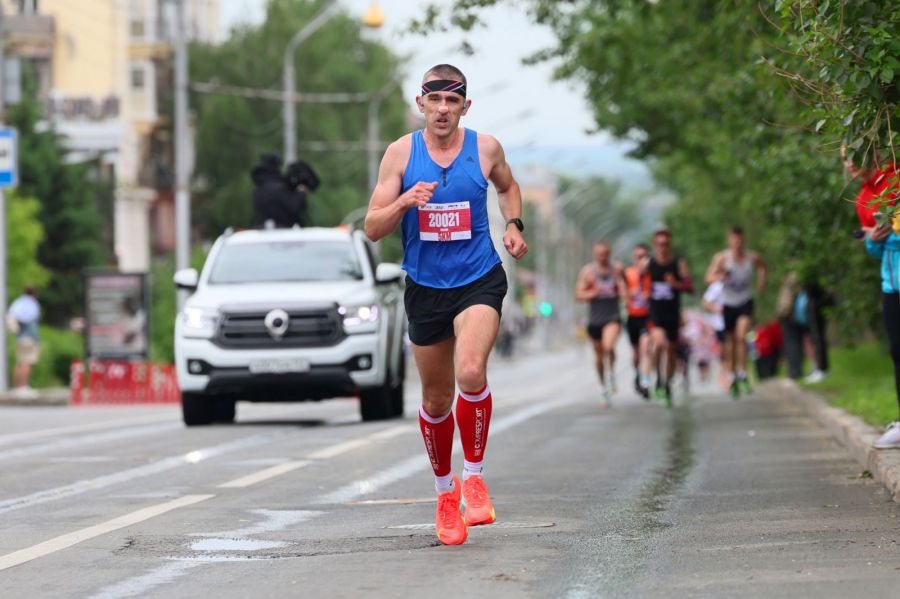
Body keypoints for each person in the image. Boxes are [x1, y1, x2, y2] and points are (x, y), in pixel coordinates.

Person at [364, 64, 527, 545]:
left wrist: (514, 225)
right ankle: (443, 492)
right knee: (436, 399)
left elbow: (508, 187)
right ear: (421, 104)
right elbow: (373, 227)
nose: (442, 110)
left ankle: (474, 478)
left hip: (478, 277)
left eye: (452, 102)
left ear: (464, 107)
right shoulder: (400, 154)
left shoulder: (485, 148)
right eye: (434, 102)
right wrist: (404, 202)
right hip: (425, 286)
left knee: (470, 373)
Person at [705, 226, 767, 398]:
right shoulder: (722, 258)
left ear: (744, 240)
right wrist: (719, 276)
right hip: (728, 304)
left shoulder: (751, 257)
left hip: (745, 301)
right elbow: (708, 277)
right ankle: (733, 375)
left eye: (740, 240)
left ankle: (743, 374)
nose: (737, 243)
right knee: (730, 342)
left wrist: (761, 282)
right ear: (729, 241)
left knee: (742, 336)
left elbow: (763, 267)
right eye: (734, 240)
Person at [647, 227, 693, 404]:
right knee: (659, 343)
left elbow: (690, 287)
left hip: (672, 314)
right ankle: (659, 378)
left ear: (670, 244)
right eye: (659, 244)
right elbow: (639, 285)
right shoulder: (649, 265)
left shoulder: (678, 264)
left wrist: (676, 284)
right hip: (655, 313)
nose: (662, 247)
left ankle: (667, 382)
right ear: (655, 245)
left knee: (671, 351)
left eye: (665, 243)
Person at [865, 223, 900, 449]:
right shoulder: (886, 197)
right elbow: (878, 252)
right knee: (898, 352)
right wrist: (873, 239)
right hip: (891, 288)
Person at [575, 240, 623, 403]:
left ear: (609, 254)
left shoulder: (616, 270)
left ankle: (611, 374)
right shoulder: (588, 272)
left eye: (605, 254)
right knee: (599, 355)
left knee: (608, 346)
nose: (603, 257)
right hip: (595, 319)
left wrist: (623, 289)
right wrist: (593, 292)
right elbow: (579, 295)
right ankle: (603, 387)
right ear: (595, 255)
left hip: (613, 316)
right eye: (599, 254)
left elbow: (626, 290)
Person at [777, 271, 831, 382]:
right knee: (808, 341)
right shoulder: (801, 277)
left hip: (796, 315)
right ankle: (814, 368)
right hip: (798, 315)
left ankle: (813, 368)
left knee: (808, 341)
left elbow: (786, 299)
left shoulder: (795, 276)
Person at [622, 243, 653, 398]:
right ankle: (637, 374)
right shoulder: (628, 274)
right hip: (633, 316)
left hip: (648, 316)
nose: (642, 260)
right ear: (634, 258)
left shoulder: (653, 274)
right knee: (636, 353)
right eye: (638, 257)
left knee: (646, 348)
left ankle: (646, 382)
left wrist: (650, 294)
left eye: (644, 256)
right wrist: (629, 294)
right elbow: (621, 293)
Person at [251, 153, 309, 228]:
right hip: (283, 230)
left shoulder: (259, 188)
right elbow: (293, 207)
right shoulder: (277, 188)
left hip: (263, 228)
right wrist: (301, 193)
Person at [6, 286, 41, 399]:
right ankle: (23, 387)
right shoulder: (31, 304)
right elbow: (28, 318)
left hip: (20, 337)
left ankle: (16, 387)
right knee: (27, 362)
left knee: (20, 362)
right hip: (29, 337)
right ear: (35, 294)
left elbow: (13, 315)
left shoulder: (18, 302)